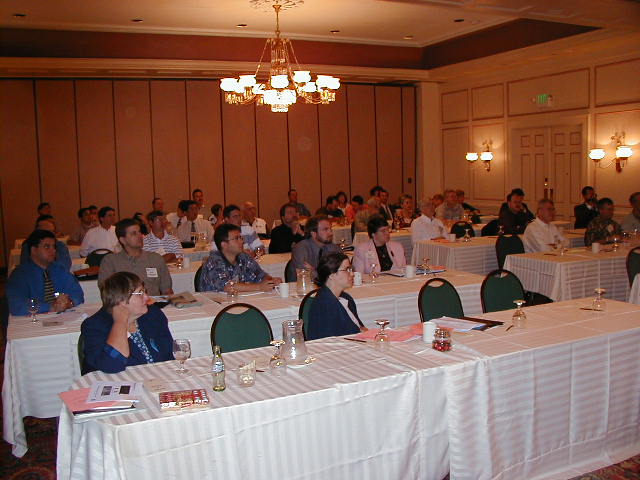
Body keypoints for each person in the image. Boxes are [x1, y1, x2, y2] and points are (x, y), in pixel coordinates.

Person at [81, 272, 174, 374]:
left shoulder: (153, 315)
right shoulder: (95, 326)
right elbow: (112, 365)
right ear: (121, 300)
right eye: (140, 293)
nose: (147, 297)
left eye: (144, 291)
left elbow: (168, 356)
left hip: (156, 379)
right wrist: (120, 322)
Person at [7, 229, 84, 315]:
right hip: (34, 320)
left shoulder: (60, 269)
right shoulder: (20, 275)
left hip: (62, 317)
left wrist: (69, 303)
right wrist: (51, 307)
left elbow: (78, 294)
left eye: (54, 247)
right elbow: (16, 306)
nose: (53, 250)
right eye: (47, 247)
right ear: (34, 250)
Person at [99, 218, 173, 296]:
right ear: (123, 240)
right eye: (134, 233)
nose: (140, 236)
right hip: (124, 302)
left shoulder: (155, 258)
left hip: (152, 302)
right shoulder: (110, 261)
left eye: (139, 232)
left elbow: (167, 290)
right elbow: (106, 292)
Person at [198, 224, 280, 292]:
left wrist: (271, 281)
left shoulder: (243, 257)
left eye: (241, 237)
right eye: (237, 238)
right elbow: (227, 286)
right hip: (215, 303)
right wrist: (259, 287)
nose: (242, 241)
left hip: (239, 300)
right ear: (224, 244)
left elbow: (260, 275)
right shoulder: (214, 261)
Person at [307, 253, 366, 340]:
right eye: (346, 269)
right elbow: (328, 341)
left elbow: (360, 328)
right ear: (331, 275)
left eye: (351, 269)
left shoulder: (346, 297)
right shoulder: (324, 305)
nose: (352, 274)